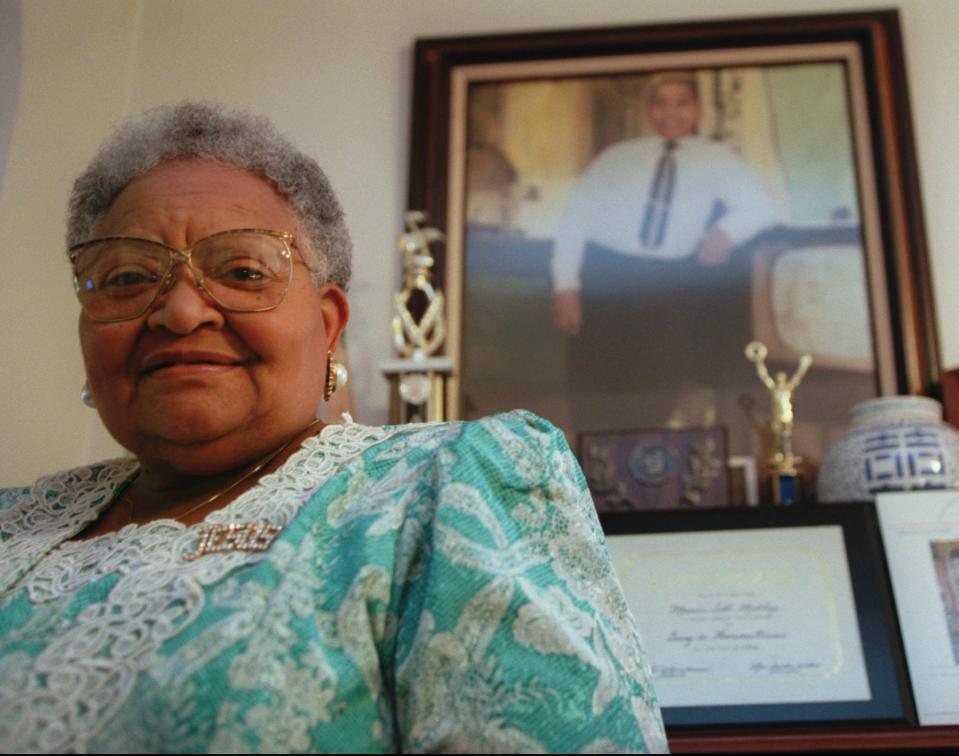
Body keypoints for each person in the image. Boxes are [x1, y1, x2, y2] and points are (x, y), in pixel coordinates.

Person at [0, 103, 667, 753]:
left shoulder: (447, 486)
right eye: (126, 277)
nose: (178, 311)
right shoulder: (16, 521)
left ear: (328, 325)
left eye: (240, 271)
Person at [551, 73, 776, 430]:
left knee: (656, 385)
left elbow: (762, 208)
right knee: (594, 384)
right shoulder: (617, 158)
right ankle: (588, 472)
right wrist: (566, 286)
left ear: (698, 109)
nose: (671, 112)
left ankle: (641, 468)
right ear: (649, 110)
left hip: (668, 285)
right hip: (606, 276)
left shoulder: (717, 159)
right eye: (661, 103)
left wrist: (724, 232)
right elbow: (575, 220)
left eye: (682, 102)